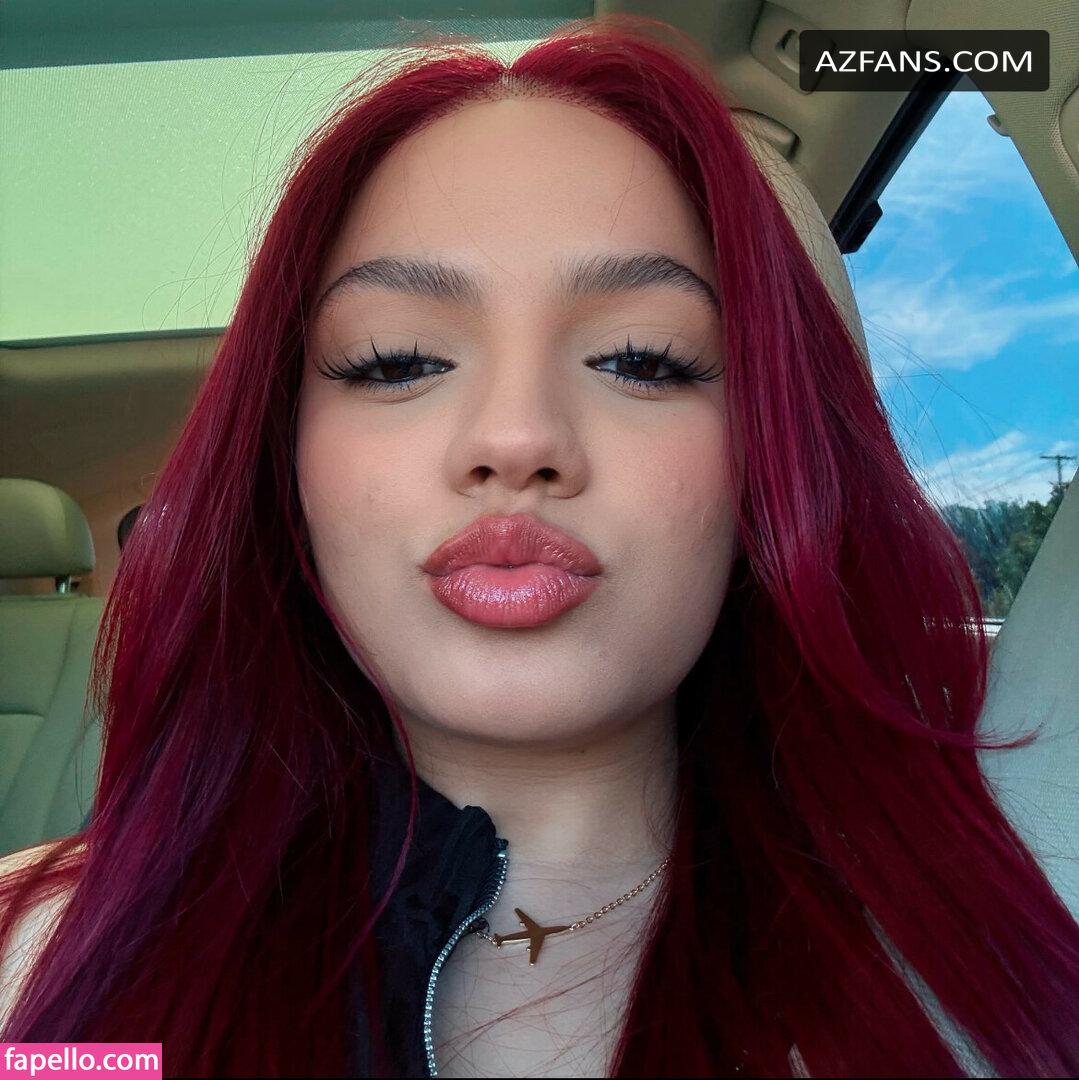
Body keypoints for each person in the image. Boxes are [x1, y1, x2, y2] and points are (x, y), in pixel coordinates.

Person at [2, 14, 1077, 1078]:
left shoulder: (981, 980)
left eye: (643, 359)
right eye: (393, 360)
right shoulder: (35, 969)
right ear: (286, 469)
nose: (515, 439)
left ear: (769, 460)